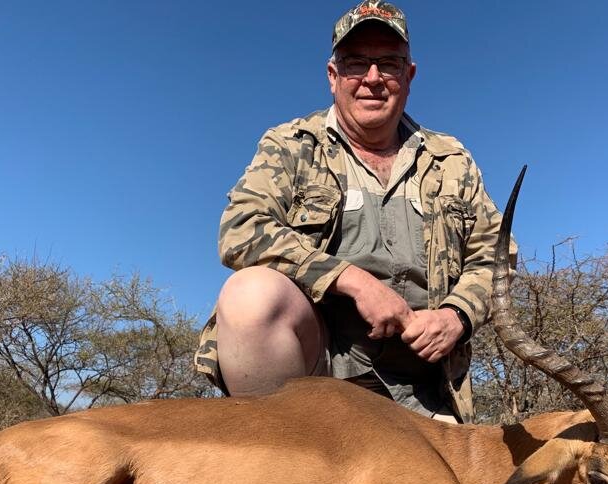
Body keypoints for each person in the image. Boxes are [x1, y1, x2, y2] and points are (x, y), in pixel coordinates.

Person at [194, 1, 516, 422]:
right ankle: (285, 451)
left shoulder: (451, 158)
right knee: (250, 295)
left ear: (409, 75)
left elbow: (495, 258)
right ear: (333, 76)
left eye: (388, 63)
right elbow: (241, 229)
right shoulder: (291, 144)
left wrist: (456, 316)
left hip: (426, 389)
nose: (372, 79)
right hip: (318, 376)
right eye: (355, 63)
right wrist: (355, 282)